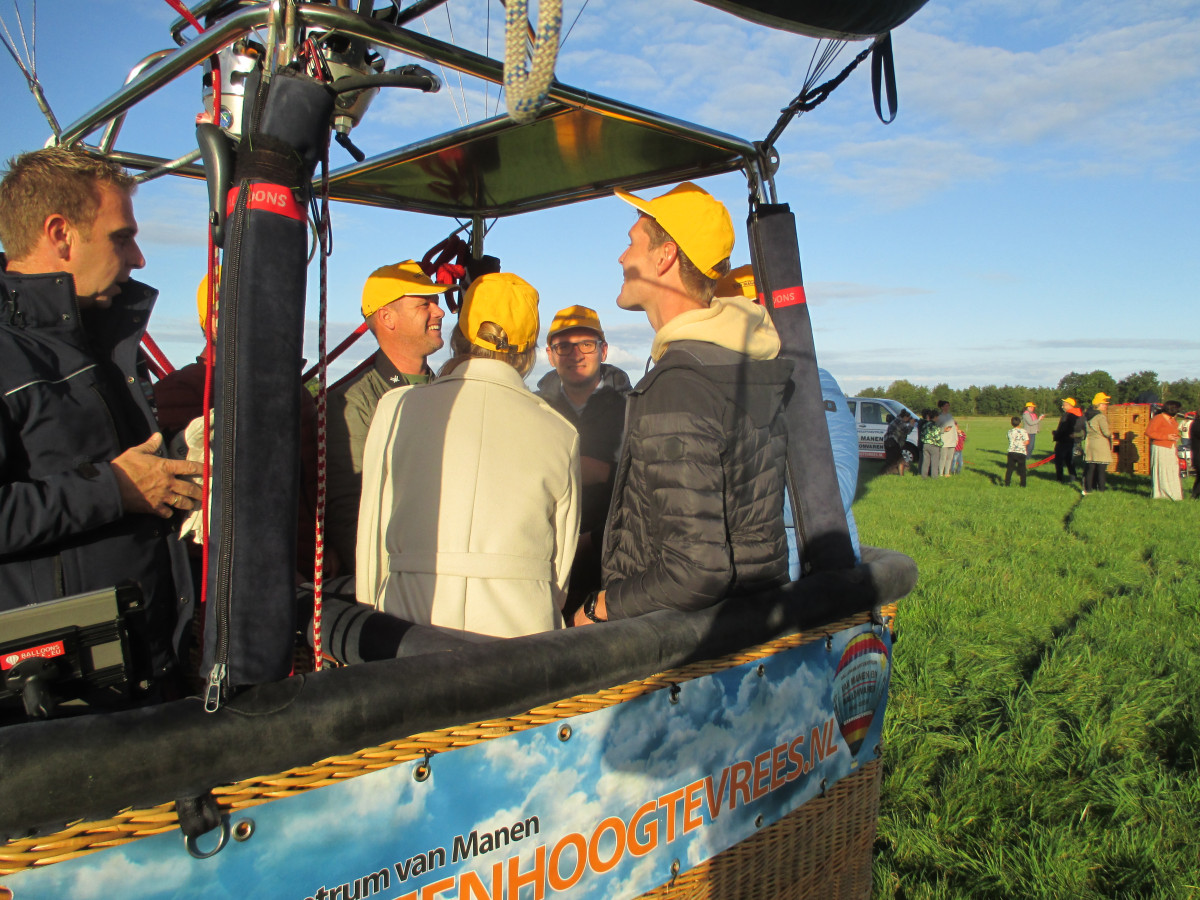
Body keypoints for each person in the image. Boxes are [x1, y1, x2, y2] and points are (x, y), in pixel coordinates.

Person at [0, 147, 202, 692]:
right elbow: (115, 482)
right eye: (121, 237)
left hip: (148, 667)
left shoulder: (102, 342)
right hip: (60, 695)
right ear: (61, 234)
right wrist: (114, 489)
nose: (139, 258)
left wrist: (181, 457)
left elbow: (116, 467)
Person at [573, 182, 793, 625]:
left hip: (675, 640)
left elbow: (694, 572)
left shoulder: (679, 384)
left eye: (632, 242)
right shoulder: (738, 362)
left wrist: (597, 609)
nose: (621, 257)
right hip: (744, 624)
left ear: (665, 257)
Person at [356, 272, 580, 637]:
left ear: (460, 336)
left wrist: (371, 622)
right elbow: (560, 573)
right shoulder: (561, 433)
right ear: (529, 351)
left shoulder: (396, 408)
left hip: (405, 629)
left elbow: (372, 541)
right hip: (520, 636)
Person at [326, 261, 452, 572]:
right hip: (396, 575)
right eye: (424, 303)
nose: (439, 311)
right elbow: (350, 511)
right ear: (387, 318)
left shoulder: (450, 392)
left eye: (435, 301)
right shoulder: (352, 401)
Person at [534, 305, 631, 618]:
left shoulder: (635, 408)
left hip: (617, 569)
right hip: (547, 567)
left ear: (603, 350)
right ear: (550, 355)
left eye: (586, 344)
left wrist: (606, 473)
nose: (575, 354)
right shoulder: (533, 410)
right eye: (563, 346)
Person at [1145, 400, 1183, 501]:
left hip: (1171, 447)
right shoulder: (1158, 418)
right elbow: (1149, 432)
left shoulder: (1173, 420)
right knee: (1163, 470)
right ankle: (1162, 493)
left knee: (1172, 470)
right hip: (1161, 447)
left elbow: (1174, 430)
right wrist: (1166, 437)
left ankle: (1174, 494)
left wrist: (1175, 436)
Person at [1082, 392, 1112, 495]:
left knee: (1090, 469)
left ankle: (1088, 489)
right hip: (1100, 445)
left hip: (1090, 444)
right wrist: (1112, 435)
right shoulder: (1100, 417)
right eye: (1104, 404)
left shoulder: (1087, 415)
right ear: (1098, 404)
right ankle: (1102, 490)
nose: (1106, 405)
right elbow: (1106, 432)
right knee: (1101, 470)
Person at [1052, 397, 1083, 484]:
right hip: (1074, 440)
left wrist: (1056, 434)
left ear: (1069, 405)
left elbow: (1063, 429)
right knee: (1070, 461)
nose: (1062, 406)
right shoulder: (1079, 415)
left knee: (1059, 461)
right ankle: (1073, 478)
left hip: (1063, 441)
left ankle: (1059, 479)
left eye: (1064, 405)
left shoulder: (1067, 415)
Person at [882, 410, 914, 475]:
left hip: (887, 441)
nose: (908, 420)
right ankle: (901, 475)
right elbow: (907, 431)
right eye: (909, 418)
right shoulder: (900, 422)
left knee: (890, 460)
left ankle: (886, 473)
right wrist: (911, 424)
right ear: (905, 417)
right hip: (893, 441)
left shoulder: (896, 420)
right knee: (900, 460)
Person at [1005, 415, 1029, 487]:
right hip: (1021, 452)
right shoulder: (1024, 431)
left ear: (1011, 423)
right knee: (1022, 469)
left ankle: (1007, 483)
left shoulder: (1009, 431)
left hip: (1011, 452)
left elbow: (1009, 439)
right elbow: (1027, 441)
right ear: (1020, 423)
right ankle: (1023, 484)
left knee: (1010, 469)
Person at [936, 400, 959, 477]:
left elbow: (954, 428)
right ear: (942, 407)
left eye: (948, 406)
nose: (947, 407)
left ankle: (947, 473)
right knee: (942, 458)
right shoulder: (939, 417)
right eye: (946, 406)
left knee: (950, 458)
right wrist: (943, 430)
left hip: (952, 440)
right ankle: (940, 473)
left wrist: (956, 438)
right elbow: (935, 429)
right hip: (944, 440)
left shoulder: (950, 416)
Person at [918, 408, 941, 478]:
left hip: (925, 444)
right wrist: (940, 444)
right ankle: (934, 476)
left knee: (925, 462)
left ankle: (923, 476)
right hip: (933, 445)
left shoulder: (925, 425)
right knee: (934, 462)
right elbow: (937, 437)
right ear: (935, 417)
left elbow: (922, 435)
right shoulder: (935, 425)